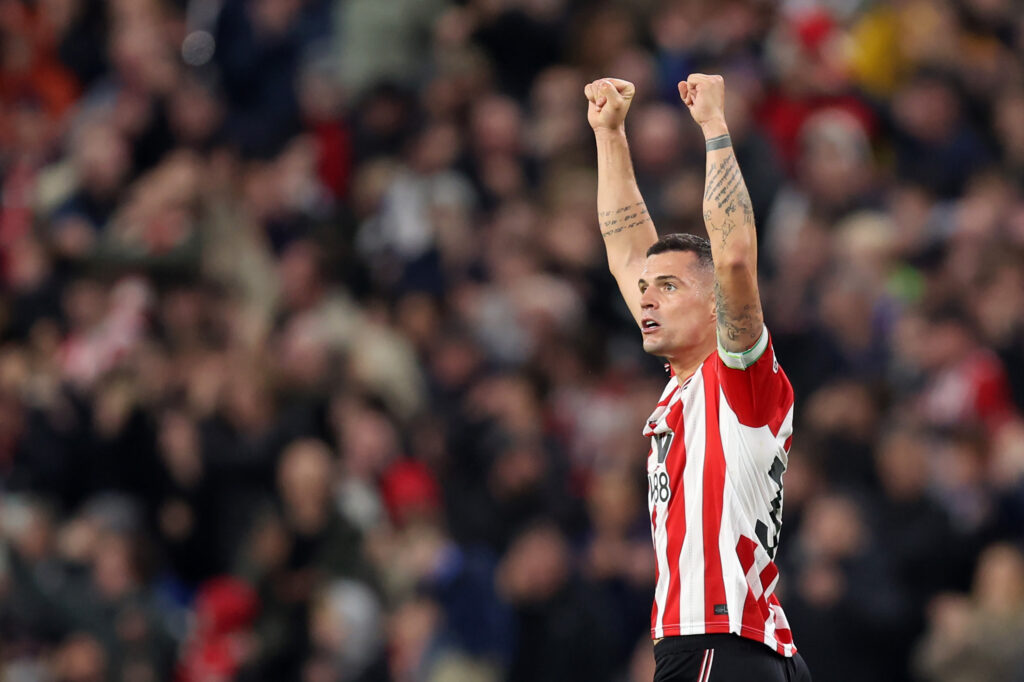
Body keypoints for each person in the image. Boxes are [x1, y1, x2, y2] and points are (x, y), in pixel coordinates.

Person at [584, 74, 812, 681]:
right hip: (744, 648)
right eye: (646, 292)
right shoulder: (685, 378)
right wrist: (610, 135)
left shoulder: (738, 376)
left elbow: (733, 256)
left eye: (670, 287)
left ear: (715, 306)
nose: (648, 300)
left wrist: (714, 124)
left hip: (718, 643)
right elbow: (625, 252)